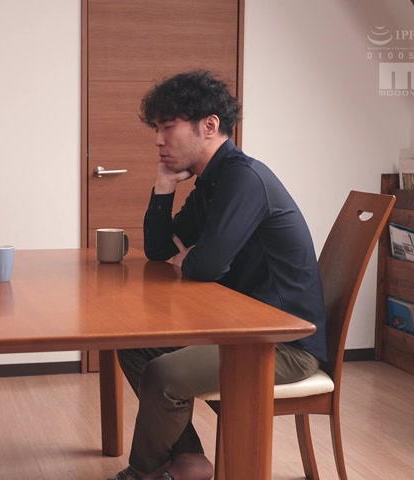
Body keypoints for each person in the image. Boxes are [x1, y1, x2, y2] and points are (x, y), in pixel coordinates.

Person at [108, 70, 327, 480]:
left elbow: (205, 266)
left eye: (167, 127)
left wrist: (191, 258)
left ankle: (142, 472)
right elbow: (159, 250)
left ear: (209, 125)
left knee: (163, 373)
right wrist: (163, 187)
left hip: (281, 344)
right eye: (156, 129)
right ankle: (189, 460)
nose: (158, 140)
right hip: (240, 331)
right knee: (136, 347)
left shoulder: (244, 179)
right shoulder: (212, 183)